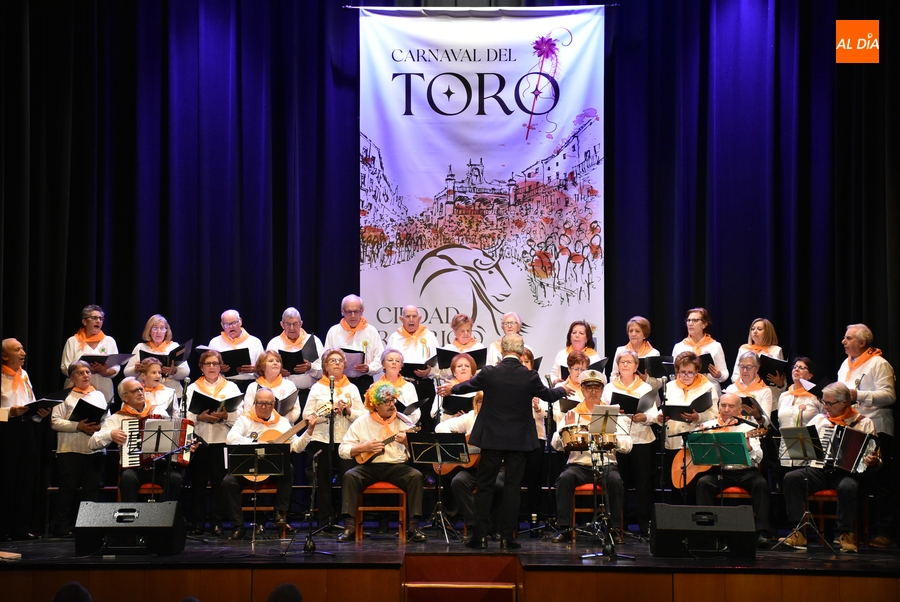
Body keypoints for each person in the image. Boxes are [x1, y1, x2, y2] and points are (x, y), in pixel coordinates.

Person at [451, 333, 570, 549]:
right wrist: (564, 389)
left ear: (502, 350)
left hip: (491, 439)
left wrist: (451, 388)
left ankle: (480, 536)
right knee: (512, 488)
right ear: (521, 350)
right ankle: (507, 537)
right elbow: (549, 395)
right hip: (518, 440)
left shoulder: (489, 373)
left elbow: (466, 386)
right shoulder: (529, 376)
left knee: (485, 486)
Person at [780, 382, 880, 553]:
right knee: (791, 478)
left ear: (844, 402)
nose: (825, 407)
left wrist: (873, 461)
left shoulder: (864, 423)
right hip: (820, 470)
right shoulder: (820, 420)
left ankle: (845, 534)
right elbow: (804, 445)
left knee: (848, 486)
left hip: (847, 474)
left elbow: (877, 459)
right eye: (824, 402)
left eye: (829, 403)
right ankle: (799, 532)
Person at [336, 382, 426, 543]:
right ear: (375, 405)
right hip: (369, 466)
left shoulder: (404, 421)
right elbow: (343, 450)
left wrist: (407, 442)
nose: (391, 405)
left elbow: (418, 453)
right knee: (350, 476)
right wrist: (362, 447)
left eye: (393, 401)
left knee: (416, 476)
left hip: (396, 466)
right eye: (387, 402)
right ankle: (349, 527)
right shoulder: (362, 422)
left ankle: (413, 527)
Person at [551, 369, 632, 543]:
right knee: (564, 479)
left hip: (606, 464)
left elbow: (627, 446)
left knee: (615, 481)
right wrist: (568, 429)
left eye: (597, 388)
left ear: (602, 390)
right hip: (579, 466)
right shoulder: (572, 413)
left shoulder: (613, 413)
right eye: (589, 388)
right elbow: (555, 445)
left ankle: (615, 529)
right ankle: (565, 529)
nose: (593, 391)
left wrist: (613, 440)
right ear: (582, 390)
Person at [223, 387, 312, 540]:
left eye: (268, 404)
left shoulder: (282, 422)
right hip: (248, 468)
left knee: (288, 468)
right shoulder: (245, 419)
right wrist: (257, 442)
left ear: (274, 404)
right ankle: (238, 526)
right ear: (254, 403)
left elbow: (296, 447)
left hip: (271, 470)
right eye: (260, 403)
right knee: (227, 482)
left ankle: (278, 513)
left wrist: (309, 431)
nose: (263, 407)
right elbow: (231, 439)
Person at [838, 323, 896, 548]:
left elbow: (889, 395)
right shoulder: (845, 364)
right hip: (852, 429)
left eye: (848, 338)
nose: (843, 341)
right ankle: (850, 532)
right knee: (852, 480)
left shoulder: (878, 363)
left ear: (862, 343)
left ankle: (885, 532)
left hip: (877, 428)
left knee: (880, 482)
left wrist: (857, 395)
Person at [89, 377, 185, 502]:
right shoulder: (117, 418)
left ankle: (168, 518)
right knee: (128, 478)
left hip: (160, 466)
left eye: (141, 389)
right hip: (135, 469)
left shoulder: (158, 411)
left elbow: (173, 435)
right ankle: (129, 517)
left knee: (175, 478)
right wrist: (110, 435)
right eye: (134, 391)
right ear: (124, 397)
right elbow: (92, 443)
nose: (140, 393)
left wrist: (184, 442)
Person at [695, 393, 771, 548]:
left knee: (761, 484)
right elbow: (694, 452)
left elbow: (758, 458)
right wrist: (699, 437)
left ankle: (761, 532)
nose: (726, 409)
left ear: (739, 409)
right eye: (723, 405)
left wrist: (748, 447)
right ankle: (707, 531)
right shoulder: (709, 425)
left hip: (745, 471)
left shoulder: (749, 427)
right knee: (703, 483)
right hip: (719, 471)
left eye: (731, 406)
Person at [302, 348, 365, 528]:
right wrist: (327, 413)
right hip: (322, 440)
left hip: (346, 441)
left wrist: (347, 411)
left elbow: (363, 415)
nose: (337, 363)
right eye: (332, 361)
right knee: (323, 482)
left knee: (348, 480)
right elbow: (307, 415)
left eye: (339, 360)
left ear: (344, 364)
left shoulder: (351, 388)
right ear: (325, 366)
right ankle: (325, 521)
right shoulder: (317, 387)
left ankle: (348, 522)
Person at [185, 350, 241, 536]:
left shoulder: (230, 387)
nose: (211, 367)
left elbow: (240, 415)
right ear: (201, 367)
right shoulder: (193, 387)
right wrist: (198, 417)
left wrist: (225, 415)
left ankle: (217, 523)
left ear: (220, 366)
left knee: (219, 484)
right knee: (198, 484)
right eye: (207, 364)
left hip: (221, 440)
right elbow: (185, 414)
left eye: (215, 364)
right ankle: (198, 523)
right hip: (199, 441)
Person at [435, 392, 503, 540]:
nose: (482, 405)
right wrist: (458, 445)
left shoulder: (502, 420)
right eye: (479, 402)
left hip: (495, 469)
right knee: (458, 482)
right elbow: (440, 428)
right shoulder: (471, 417)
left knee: (499, 486)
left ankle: (493, 527)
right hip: (473, 470)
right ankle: (475, 526)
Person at [603, 350, 657, 538]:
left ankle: (645, 527)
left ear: (636, 366)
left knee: (643, 485)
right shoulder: (609, 388)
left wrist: (645, 416)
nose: (625, 365)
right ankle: (618, 527)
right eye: (622, 362)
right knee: (620, 484)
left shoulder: (645, 388)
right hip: (619, 441)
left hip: (641, 439)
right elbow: (604, 415)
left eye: (629, 362)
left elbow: (655, 414)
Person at [50, 361, 106, 537]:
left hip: (93, 449)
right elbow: (55, 422)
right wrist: (78, 426)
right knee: (67, 488)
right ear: (72, 377)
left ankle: (90, 527)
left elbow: (107, 419)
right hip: (70, 449)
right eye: (81, 373)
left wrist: (99, 427)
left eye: (88, 372)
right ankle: (61, 527)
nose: (86, 375)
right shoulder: (64, 396)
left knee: (92, 490)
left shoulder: (98, 395)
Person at [1, 338, 49, 541]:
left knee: (25, 479)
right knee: (5, 480)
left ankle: (20, 528)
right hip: (5, 430)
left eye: (23, 349)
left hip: (25, 428)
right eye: (18, 349)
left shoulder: (24, 375)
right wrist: (10, 412)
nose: (23, 353)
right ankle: (2, 529)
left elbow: (30, 402)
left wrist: (39, 414)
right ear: (5, 355)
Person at [659, 351, 719, 488]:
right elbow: (665, 407)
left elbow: (715, 414)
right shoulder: (670, 386)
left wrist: (699, 417)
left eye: (690, 372)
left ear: (697, 371)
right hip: (673, 441)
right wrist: (660, 416)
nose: (686, 376)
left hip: (697, 441)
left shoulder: (707, 387)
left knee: (695, 484)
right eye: (682, 372)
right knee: (675, 484)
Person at [385, 305, 439, 432]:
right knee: (402, 421)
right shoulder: (395, 337)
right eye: (407, 316)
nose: (411, 320)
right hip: (402, 386)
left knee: (426, 423)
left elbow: (437, 362)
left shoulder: (429, 336)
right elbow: (387, 360)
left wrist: (429, 371)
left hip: (424, 385)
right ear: (401, 319)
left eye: (414, 316)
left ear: (419, 318)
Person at [320, 294, 385, 393]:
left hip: (364, 382)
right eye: (349, 312)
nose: (353, 315)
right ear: (342, 312)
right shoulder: (334, 331)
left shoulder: (371, 331)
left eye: (356, 311)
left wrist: (368, 368)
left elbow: (380, 359)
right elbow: (325, 359)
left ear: (362, 311)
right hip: (339, 382)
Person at [266, 307, 324, 412]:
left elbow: (324, 371)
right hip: (284, 394)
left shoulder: (313, 341)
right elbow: (265, 371)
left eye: (295, 324)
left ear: (301, 323)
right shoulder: (274, 343)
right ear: (282, 324)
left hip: (309, 393)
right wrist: (278, 372)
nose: (292, 328)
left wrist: (310, 367)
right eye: (288, 324)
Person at [60, 305, 120, 403]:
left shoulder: (109, 341)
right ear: (84, 321)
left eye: (101, 319)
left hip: (103, 389)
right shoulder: (73, 341)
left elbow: (116, 366)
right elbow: (64, 366)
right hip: (76, 392)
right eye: (94, 318)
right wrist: (83, 370)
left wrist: (104, 371)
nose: (98, 321)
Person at [123, 314, 190, 399]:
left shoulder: (175, 346)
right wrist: (136, 370)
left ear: (166, 331)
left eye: (162, 328)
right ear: (149, 331)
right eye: (154, 328)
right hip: (146, 395)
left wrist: (174, 371)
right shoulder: (141, 347)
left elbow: (186, 372)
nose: (158, 332)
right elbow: (126, 373)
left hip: (171, 394)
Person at [775, 357, 824, 469]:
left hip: (808, 455)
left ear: (810, 375)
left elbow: (825, 422)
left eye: (802, 368)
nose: (796, 370)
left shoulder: (817, 397)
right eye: (795, 367)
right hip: (786, 454)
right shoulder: (784, 396)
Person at [671, 307, 728, 397]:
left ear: (704, 324)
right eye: (688, 320)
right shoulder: (679, 347)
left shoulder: (715, 346)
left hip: (709, 392)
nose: (690, 323)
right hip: (685, 392)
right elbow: (673, 373)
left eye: (695, 320)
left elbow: (725, 374)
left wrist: (718, 375)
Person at [207, 309, 265, 390]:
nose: (231, 327)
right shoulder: (215, 342)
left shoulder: (255, 342)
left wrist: (256, 369)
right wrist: (219, 368)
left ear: (240, 321)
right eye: (227, 324)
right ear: (222, 325)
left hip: (249, 384)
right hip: (224, 385)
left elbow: (264, 368)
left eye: (234, 323)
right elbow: (207, 367)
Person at [731, 318, 786, 401]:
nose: (755, 331)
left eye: (759, 329)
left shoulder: (776, 350)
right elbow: (735, 374)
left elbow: (782, 380)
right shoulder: (744, 349)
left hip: (770, 396)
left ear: (768, 332)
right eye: (753, 329)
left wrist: (779, 383)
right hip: (746, 394)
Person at [242, 351, 300, 424]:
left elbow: (296, 410)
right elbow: (247, 411)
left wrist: (281, 421)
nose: (275, 363)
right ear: (262, 366)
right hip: (258, 427)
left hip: (283, 427)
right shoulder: (253, 386)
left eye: (278, 361)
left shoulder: (289, 385)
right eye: (271, 361)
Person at [610, 316, 662, 391]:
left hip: (646, 393)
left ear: (645, 334)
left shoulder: (653, 353)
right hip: (623, 391)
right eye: (631, 331)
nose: (633, 334)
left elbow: (660, 382)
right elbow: (613, 375)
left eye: (637, 331)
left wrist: (647, 379)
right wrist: (618, 379)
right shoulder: (620, 351)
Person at [725, 351, 774, 427]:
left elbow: (766, 422)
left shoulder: (764, 391)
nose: (745, 371)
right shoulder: (731, 389)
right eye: (742, 367)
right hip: (733, 429)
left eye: (749, 367)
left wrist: (757, 416)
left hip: (754, 433)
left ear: (757, 368)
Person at [437, 313, 485, 381]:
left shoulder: (479, 347)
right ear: (455, 331)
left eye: (468, 330)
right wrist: (455, 370)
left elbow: (484, 372)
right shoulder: (448, 349)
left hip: (474, 386)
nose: (466, 334)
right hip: (452, 387)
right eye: (462, 331)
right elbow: (440, 374)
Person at [434, 352, 479, 422]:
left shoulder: (478, 389)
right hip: (448, 426)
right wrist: (452, 418)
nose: (463, 368)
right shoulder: (445, 387)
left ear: (472, 372)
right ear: (454, 372)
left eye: (467, 366)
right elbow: (434, 412)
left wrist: (467, 417)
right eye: (459, 366)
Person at [551, 351, 589, 426]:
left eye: (583, 370)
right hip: (566, 427)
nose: (579, 373)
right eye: (576, 369)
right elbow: (556, 414)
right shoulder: (560, 387)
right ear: (569, 369)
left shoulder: (591, 389)